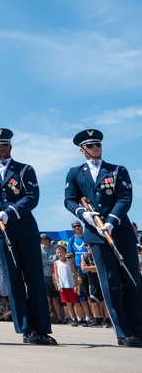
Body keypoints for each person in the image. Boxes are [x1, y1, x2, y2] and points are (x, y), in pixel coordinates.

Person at [0, 127, 56, 345]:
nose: (1, 149)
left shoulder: (24, 169)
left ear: (11, 146)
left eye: (5, 145)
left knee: (34, 280)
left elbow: (32, 196)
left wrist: (11, 212)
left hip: (24, 228)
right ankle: (27, 329)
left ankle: (42, 329)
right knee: (14, 280)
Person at [64, 129, 142, 347]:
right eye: (90, 146)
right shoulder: (75, 173)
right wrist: (84, 214)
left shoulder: (117, 170)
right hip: (96, 235)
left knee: (132, 281)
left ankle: (138, 328)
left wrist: (111, 221)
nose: (96, 148)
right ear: (82, 150)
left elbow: (125, 198)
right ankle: (123, 332)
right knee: (110, 284)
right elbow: (69, 200)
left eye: (98, 144)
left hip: (120, 232)